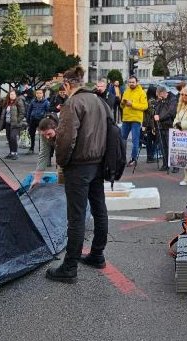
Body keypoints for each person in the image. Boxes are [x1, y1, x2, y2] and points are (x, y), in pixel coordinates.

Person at [48, 66, 110, 283]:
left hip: (79, 165)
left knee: (76, 216)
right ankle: (97, 254)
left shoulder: (72, 103)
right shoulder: (99, 101)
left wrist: (62, 162)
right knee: (99, 209)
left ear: (67, 84)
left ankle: (70, 266)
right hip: (98, 162)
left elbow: (66, 139)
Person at [119, 76, 149, 165]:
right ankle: (121, 158)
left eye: (133, 82)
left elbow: (145, 106)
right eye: (130, 82)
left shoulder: (141, 92)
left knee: (135, 141)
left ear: (137, 82)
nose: (131, 84)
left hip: (136, 119)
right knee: (121, 139)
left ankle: (133, 158)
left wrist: (132, 104)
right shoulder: (126, 91)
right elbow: (122, 106)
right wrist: (122, 103)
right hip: (126, 119)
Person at [151, 86, 177, 171]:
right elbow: (157, 111)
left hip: (170, 125)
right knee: (163, 146)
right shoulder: (160, 100)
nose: (158, 97)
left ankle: (175, 166)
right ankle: (166, 164)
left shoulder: (172, 99)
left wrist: (160, 118)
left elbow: (171, 112)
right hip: (161, 126)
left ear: (162, 93)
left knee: (171, 147)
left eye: (158, 95)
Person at [31, 114, 59, 185]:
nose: (47, 137)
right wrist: (37, 179)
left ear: (55, 128)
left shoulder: (64, 130)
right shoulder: (44, 134)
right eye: (44, 134)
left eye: (49, 134)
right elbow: (43, 155)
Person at [2, 89, 27, 159]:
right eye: (11, 94)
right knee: (9, 138)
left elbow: (22, 113)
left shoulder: (19, 101)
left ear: (16, 95)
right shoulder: (7, 102)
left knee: (13, 137)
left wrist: (17, 121)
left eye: (13, 94)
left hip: (15, 124)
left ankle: (15, 153)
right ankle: (11, 152)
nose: (12, 96)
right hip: (7, 123)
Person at [26, 89, 50, 154]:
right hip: (33, 119)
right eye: (37, 93)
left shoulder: (46, 102)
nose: (38, 94)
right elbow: (29, 110)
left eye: (40, 93)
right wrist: (28, 119)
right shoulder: (33, 101)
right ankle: (31, 148)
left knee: (41, 135)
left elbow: (48, 111)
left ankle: (41, 149)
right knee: (32, 135)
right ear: (35, 94)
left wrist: (46, 119)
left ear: (42, 94)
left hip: (41, 120)